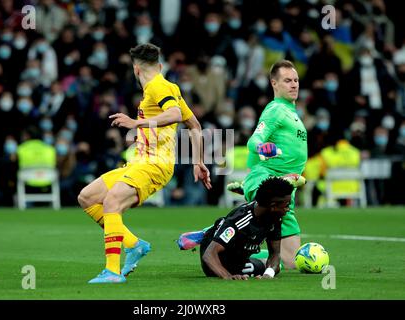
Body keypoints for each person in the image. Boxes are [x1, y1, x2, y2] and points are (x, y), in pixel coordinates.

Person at [77, 43, 212, 284]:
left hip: (154, 164)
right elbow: (195, 125)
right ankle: (134, 245)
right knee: (87, 197)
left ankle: (112, 271)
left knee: (111, 202)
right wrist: (198, 161)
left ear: (136, 70)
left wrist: (135, 123)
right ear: (159, 65)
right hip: (139, 163)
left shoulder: (158, 87)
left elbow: (173, 115)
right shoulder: (168, 87)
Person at [182, 60, 308, 269]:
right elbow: (254, 141)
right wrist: (264, 150)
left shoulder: (291, 112)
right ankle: (211, 233)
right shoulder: (276, 110)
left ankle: (214, 237)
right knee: (256, 226)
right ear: (274, 84)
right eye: (287, 80)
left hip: (286, 191)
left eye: (295, 80)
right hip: (271, 183)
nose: (294, 84)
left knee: (291, 262)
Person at [181, 177, 294, 280]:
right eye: (286, 205)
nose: (288, 209)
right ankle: (210, 231)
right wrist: (228, 276)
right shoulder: (240, 220)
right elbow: (209, 255)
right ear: (273, 206)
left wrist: (268, 275)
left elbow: (275, 254)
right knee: (238, 266)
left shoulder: (275, 217)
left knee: (276, 267)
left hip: (240, 259)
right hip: (215, 262)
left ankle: (219, 229)